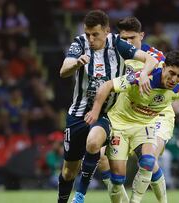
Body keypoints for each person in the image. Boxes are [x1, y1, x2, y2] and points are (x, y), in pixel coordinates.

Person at [85, 50, 179, 203]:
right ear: (163, 67)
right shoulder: (142, 79)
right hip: (121, 125)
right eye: (171, 73)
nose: (174, 79)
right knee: (117, 179)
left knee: (149, 162)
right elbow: (109, 85)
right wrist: (95, 111)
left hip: (145, 125)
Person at [58, 10, 158, 203]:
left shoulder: (117, 44)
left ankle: (79, 197)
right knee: (68, 171)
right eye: (88, 34)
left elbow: (150, 60)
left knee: (94, 143)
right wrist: (76, 64)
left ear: (106, 31)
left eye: (95, 34)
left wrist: (145, 73)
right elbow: (63, 71)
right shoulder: (79, 44)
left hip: (105, 113)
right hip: (77, 114)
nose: (90, 38)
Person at [97, 16, 168, 203]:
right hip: (122, 114)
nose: (128, 42)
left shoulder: (157, 57)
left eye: (132, 38)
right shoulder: (115, 55)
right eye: (124, 38)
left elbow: (172, 84)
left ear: (142, 35)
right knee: (101, 157)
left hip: (155, 114)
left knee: (149, 160)